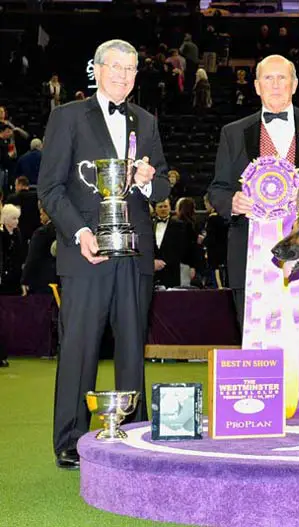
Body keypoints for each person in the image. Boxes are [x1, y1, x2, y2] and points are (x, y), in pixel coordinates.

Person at [38, 39, 170, 470]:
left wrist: (149, 180)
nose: (123, 76)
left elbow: (164, 187)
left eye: (131, 69)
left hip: (135, 253)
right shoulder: (67, 117)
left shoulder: (146, 121)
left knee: (133, 347)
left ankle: (133, 434)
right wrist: (79, 232)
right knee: (79, 348)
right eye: (115, 67)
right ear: (96, 69)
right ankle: (71, 439)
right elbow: (51, 189)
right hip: (85, 253)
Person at [207, 55, 299, 330]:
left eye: (282, 78)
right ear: (256, 86)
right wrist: (232, 202)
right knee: (253, 337)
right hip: (249, 257)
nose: (275, 85)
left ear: (294, 85)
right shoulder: (233, 133)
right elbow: (217, 189)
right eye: (268, 79)